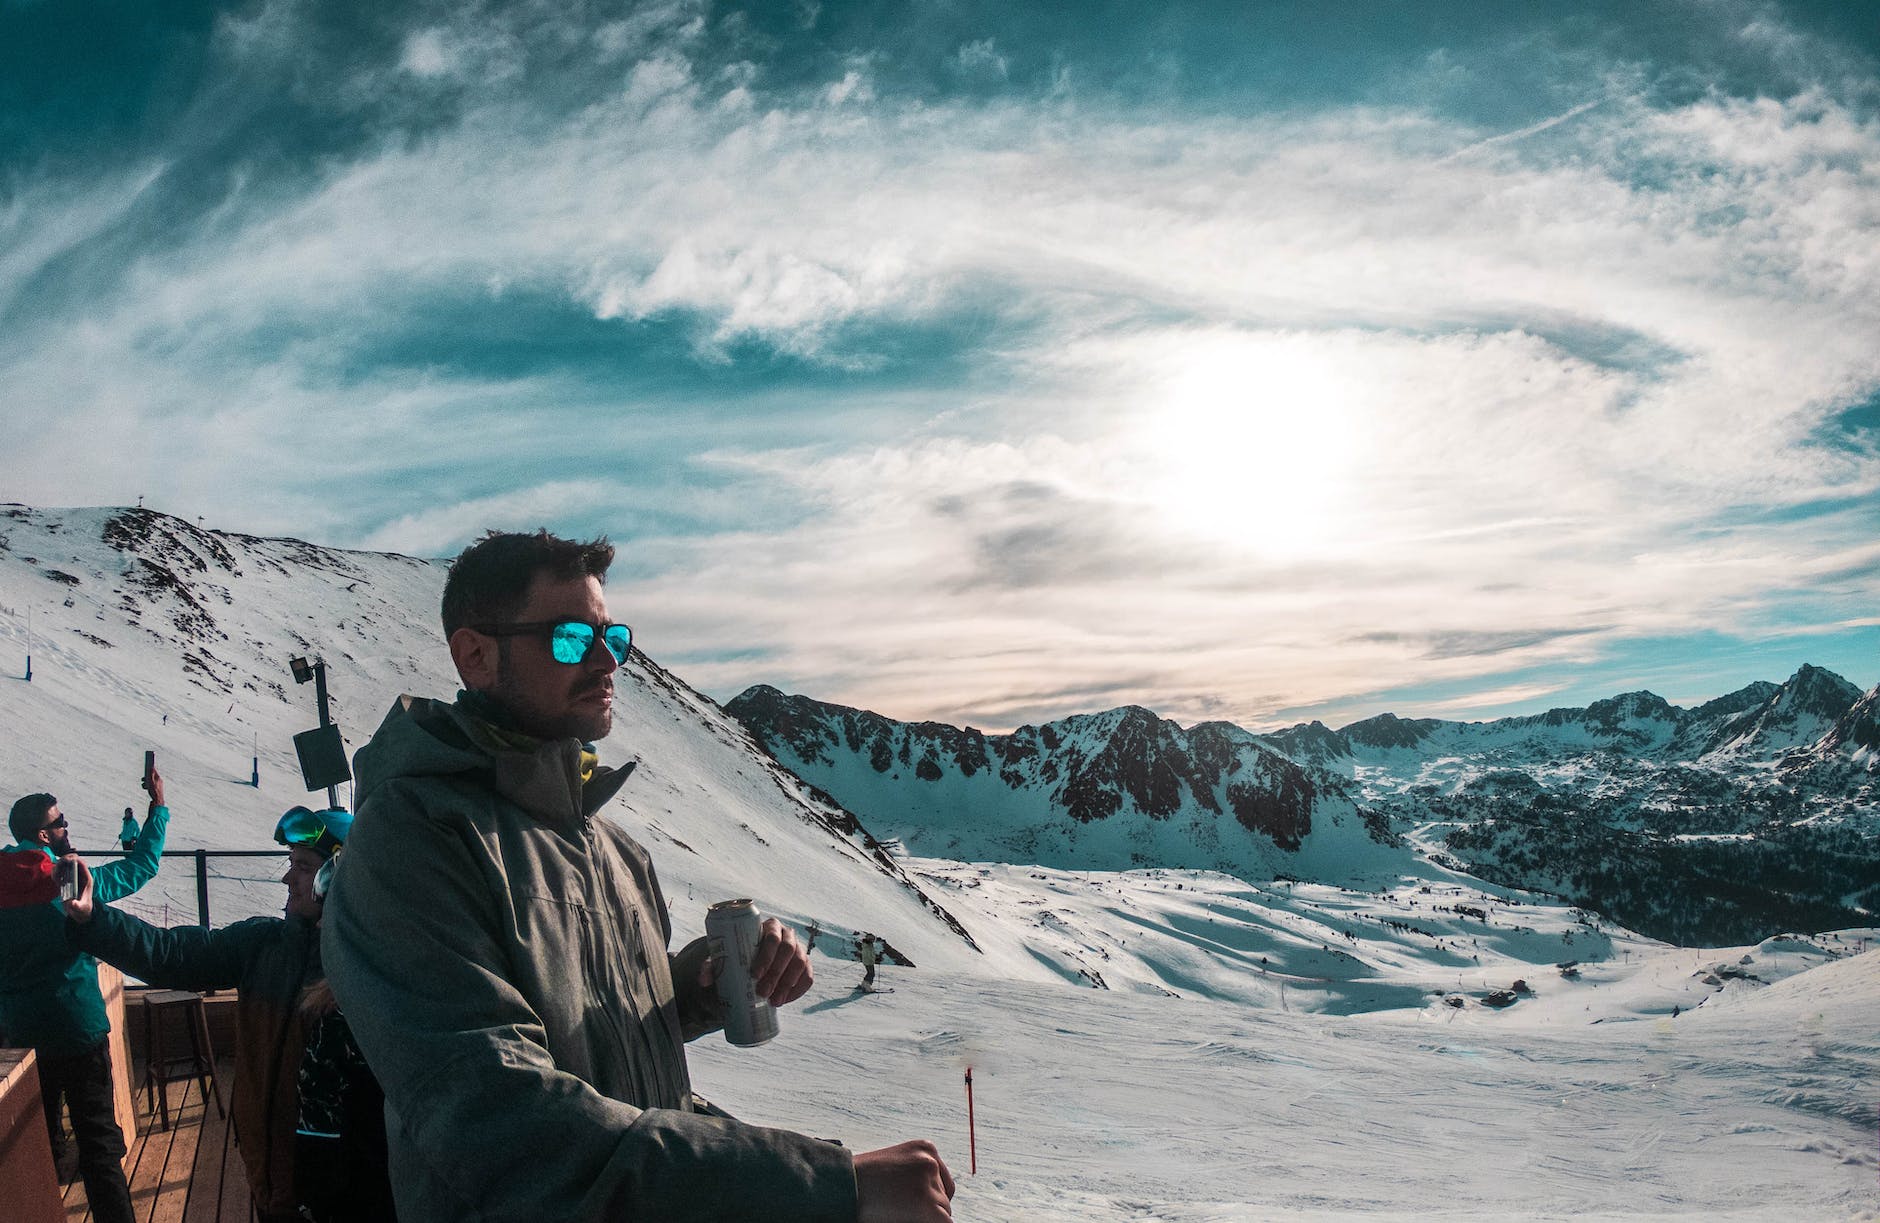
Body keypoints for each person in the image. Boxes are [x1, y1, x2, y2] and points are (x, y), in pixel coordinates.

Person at [324, 529, 955, 1223]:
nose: (605, 661)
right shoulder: (412, 840)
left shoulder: (615, 852)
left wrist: (705, 983)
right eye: (569, 638)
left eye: (612, 637)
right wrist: (832, 1185)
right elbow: (509, 1129)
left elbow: (606, 1041)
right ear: (476, 655)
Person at [64, 806, 395, 1223]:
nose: (286, 878)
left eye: (303, 867)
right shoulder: (261, 944)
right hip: (267, 1177)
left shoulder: (372, 969)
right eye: (290, 864)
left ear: (340, 880)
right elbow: (172, 954)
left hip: (338, 1190)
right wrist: (93, 917)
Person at [0, 773, 170, 1223]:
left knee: (43, 1137)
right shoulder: (65, 880)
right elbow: (141, 867)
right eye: (60, 823)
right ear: (42, 835)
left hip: (21, 1034)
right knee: (97, 1145)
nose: (66, 828)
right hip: (77, 1027)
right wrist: (158, 808)